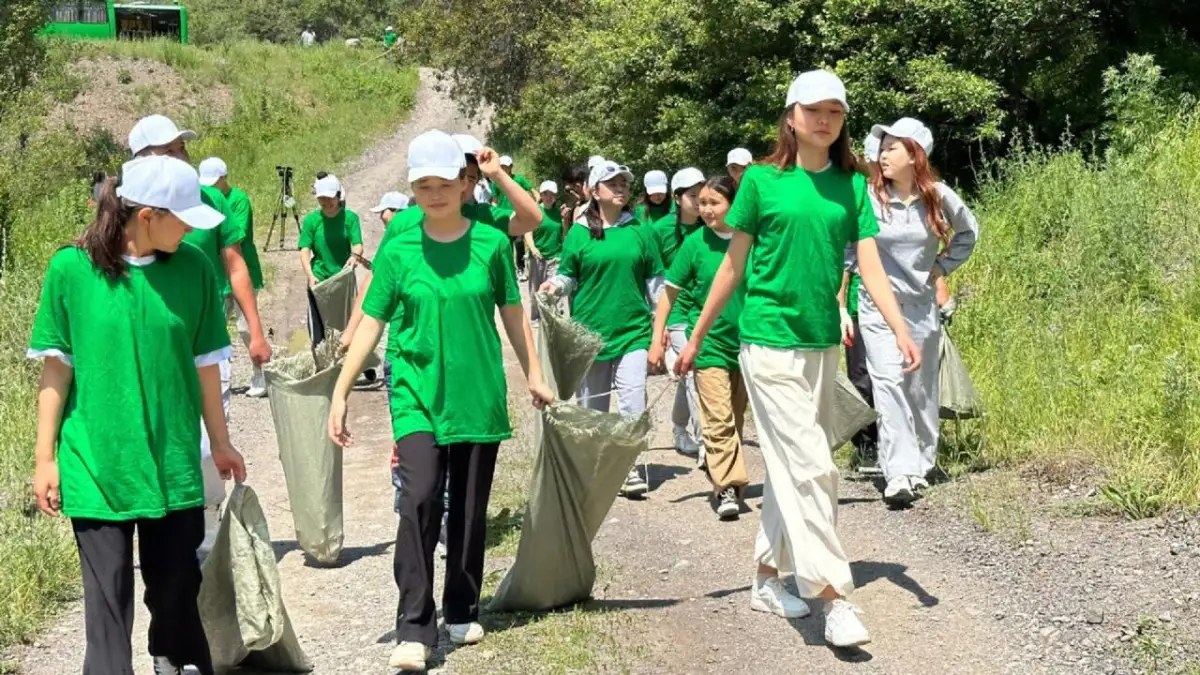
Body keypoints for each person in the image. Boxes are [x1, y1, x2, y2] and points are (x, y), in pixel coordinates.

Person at [676, 70, 921, 648]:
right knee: (815, 465)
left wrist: (899, 325)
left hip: (820, 344)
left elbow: (867, 262)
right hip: (765, 342)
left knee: (793, 467)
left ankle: (766, 577)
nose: (825, 120)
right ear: (791, 117)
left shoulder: (852, 185)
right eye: (813, 110)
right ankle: (833, 598)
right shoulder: (761, 181)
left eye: (835, 111)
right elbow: (733, 265)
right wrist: (694, 337)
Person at [327, 129, 553, 673]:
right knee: (421, 498)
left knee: (471, 511)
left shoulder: (492, 244)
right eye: (422, 185)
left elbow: (513, 318)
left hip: (477, 393)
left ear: (464, 182)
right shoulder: (400, 247)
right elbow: (372, 322)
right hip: (416, 394)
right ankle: (413, 626)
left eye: (443, 183)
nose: (433, 194)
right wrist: (340, 392)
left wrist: (535, 375)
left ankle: (461, 606)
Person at [29, 155, 248, 675]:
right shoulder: (71, 270)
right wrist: (45, 458)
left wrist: (220, 442)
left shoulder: (194, 268)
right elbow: (57, 373)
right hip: (95, 462)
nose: (194, 228)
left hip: (171, 461)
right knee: (107, 602)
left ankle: (173, 654)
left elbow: (205, 370)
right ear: (147, 215)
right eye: (184, 217)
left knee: (176, 586)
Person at [128, 114, 269, 557]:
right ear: (140, 162)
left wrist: (256, 333)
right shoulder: (123, 214)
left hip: (204, 343)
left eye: (182, 149)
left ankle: (205, 537)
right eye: (170, 151)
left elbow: (235, 262)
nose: (181, 158)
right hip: (147, 350)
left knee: (209, 439)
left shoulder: (208, 202)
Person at [858, 117, 979, 505]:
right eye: (881, 148)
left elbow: (969, 232)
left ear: (914, 154)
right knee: (888, 382)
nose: (882, 155)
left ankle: (923, 462)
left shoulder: (938, 196)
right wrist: (840, 302)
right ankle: (899, 473)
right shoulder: (869, 196)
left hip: (921, 307)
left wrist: (942, 267)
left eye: (892, 147)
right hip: (876, 307)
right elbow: (849, 249)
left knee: (920, 389)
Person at [540, 160, 663, 498]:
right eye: (613, 183)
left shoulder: (641, 231)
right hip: (590, 334)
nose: (621, 188)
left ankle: (628, 467)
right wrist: (554, 286)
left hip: (633, 331)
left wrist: (660, 329)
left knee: (632, 401)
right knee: (593, 408)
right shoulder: (579, 233)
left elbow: (656, 285)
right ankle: (595, 467)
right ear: (595, 191)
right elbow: (568, 274)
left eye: (624, 183)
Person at [652, 175, 748, 520]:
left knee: (735, 418)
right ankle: (728, 487)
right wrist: (657, 339)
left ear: (733, 204)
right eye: (702, 202)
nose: (706, 210)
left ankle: (725, 475)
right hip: (706, 343)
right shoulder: (694, 244)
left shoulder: (751, 239)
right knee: (717, 417)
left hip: (748, 343)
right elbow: (668, 294)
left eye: (714, 203)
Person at [198, 157, 269, 398]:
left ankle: (261, 372)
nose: (211, 187)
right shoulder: (204, 199)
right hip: (218, 277)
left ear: (224, 178)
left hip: (241, 272)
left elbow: (234, 234)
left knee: (245, 326)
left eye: (215, 182)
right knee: (217, 325)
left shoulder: (238, 200)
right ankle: (216, 376)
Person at [650, 167, 706, 459]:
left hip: (706, 312)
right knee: (694, 373)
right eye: (693, 196)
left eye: (702, 194)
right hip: (677, 314)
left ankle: (679, 428)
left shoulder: (710, 227)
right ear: (677, 197)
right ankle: (706, 444)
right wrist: (656, 329)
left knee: (689, 376)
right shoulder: (658, 231)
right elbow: (651, 278)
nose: (699, 202)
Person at [838, 133, 883, 476]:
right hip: (858, 303)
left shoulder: (907, 199)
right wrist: (840, 305)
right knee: (861, 376)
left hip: (900, 303)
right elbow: (845, 258)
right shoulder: (852, 192)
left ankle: (900, 445)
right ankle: (867, 445)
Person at [299, 174, 363, 288]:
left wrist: (354, 256)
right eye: (322, 198)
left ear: (338, 196)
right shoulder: (311, 220)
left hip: (344, 274)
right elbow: (304, 250)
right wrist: (310, 275)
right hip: (319, 276)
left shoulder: (350, 218)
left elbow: (357, 244)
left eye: (330, 197)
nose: (326, 202)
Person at [525, 180, 564, 323]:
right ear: (541, 194)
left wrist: (565, 221)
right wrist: (533, 248)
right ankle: (535, 317)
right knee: (536, 289)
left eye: (552, 194)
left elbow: (563, 234)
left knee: (554, 288)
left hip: (555, 256)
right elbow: (528, 232)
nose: (549, 197)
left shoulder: (559, 213)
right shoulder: (535, 210)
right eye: (545, 193)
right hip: (538, 256)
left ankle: (554, 317)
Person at [494, 155, 536, 281]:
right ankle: (508, 270)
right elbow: (495, 201)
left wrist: (534, 205)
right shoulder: (496, 182)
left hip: (518, 216)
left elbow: (532, 191)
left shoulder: (519, 180)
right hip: (503, 218)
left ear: (511, 167)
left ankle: (520, 268)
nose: (504, 169)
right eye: (501, 167)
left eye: (506, 167)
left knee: (519, 243)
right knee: (506, 244)